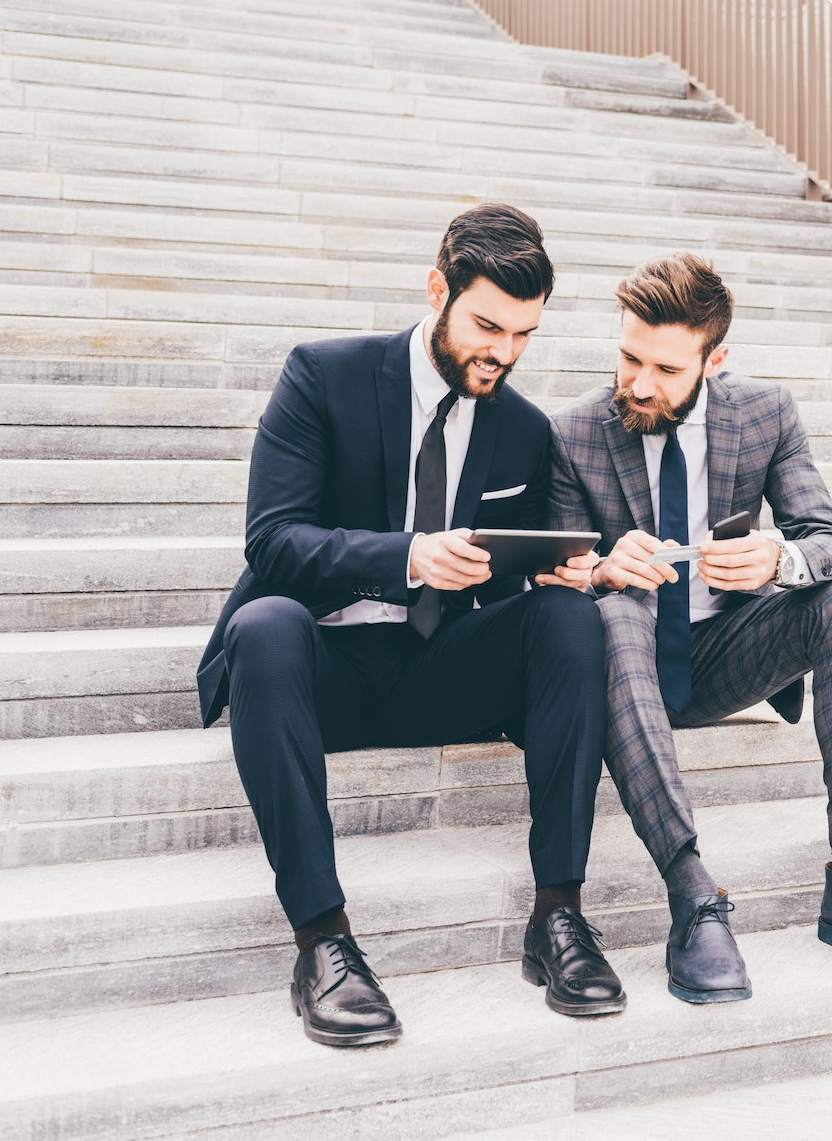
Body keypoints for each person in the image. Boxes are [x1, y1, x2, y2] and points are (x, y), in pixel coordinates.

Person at [197, 203, 623, 1047]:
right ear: (439, 289)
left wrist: (553, 569)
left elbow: (511, 575)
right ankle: (324, 941)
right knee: (265, 626)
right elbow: (272, 540)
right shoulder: (322, 375)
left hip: (437, 667)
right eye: (487, 325)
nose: (502, 351)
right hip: (320, 667)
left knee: (572, 619)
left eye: (524, 335)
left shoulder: (523, 429)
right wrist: (408, 556)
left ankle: (559, 916)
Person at [545, 252, 832, 1005]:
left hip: (727, 653)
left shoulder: (766, 413)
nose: (639, 383)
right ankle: (693, 899)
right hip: (623, 666)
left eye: (665, 368)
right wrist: (603, 567)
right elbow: (554, 574)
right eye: (628, 357)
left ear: (716, 360)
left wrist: (777, 558)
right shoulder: (573, 432)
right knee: (613, 612)